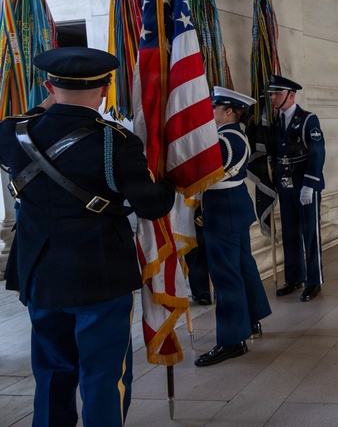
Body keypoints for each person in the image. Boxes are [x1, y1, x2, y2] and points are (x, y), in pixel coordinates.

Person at [0, 47, 175, 426]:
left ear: (48, 85)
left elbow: (27, 118)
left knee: (52, 371)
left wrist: (49, 103)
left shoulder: (12, 134)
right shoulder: (115, 141)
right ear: (105, 90)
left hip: (40, 274)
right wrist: (170, 179)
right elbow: (151, 207)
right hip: (99, 276)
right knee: (103, 376)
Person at [194, 87, 274, 366]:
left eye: (215, 108)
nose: (211, 112)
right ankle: (251, 321)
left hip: (223, 207)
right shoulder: (232, 135)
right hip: (232, 205)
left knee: (226, 274)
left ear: (228, 112)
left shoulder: (227, 139)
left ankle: (231, 340)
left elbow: (206, 172)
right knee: (242, 266)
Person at [267, 75, 325, 301]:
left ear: (291, 95)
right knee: (290, 233)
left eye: (277, 94)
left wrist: (310, 185)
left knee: (311, 233)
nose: (272, 98)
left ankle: (314, 280)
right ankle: (294, 277)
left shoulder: (308, 120)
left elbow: (317, 153)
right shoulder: (276, 122)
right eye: (271, 94)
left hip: (305, 186)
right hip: (286, 186)